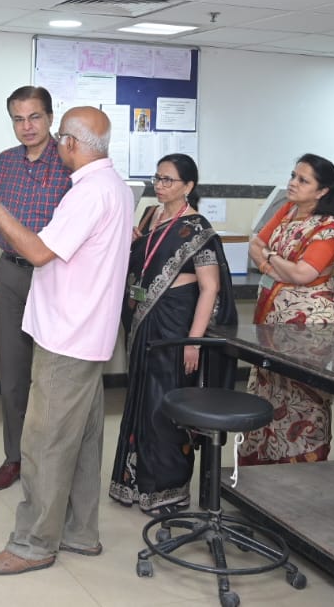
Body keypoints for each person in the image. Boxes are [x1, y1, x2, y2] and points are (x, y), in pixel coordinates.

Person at [0, 107, 133, 576]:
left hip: (67, 337)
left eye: (58, 136)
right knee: (83, 441)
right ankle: (80, 532)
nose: (55, 144)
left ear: (70, 143)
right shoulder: (115, 186)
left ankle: (33, 544)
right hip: (90, 335)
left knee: (45, 443)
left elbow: (37, 251)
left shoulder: (88, 193)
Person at [109, 153, 237, 514]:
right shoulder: (150, 215)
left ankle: (168, 489)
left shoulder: (198, 230)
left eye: (168, 180)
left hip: (174, 325)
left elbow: (210, 288)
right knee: (139, 398)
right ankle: (134, 483)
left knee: (164, 403)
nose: (160, 185)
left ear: (188, 186)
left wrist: (193, 342)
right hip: (142, 320)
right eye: (157, 178)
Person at [0, 86, 69, 492]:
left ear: (50, 117)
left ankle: (50, 460)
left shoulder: (69, 163)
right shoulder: (5, 162)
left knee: (55, 373)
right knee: (13, 372)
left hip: (56, 275)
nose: (27, 126)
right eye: (18, 119)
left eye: (34, 117)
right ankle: (15, 458)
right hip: (11, 274)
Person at [237, 154, 334, 466]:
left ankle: (301, 469)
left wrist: (269, 257)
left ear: (322, 191)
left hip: (309, 332)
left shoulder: (329, 229)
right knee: (268, 391)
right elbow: (254, 245)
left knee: (302, 399)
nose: (293, 183)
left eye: (303, 180)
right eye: (293, 175)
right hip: (273, 323)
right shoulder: (287, 211)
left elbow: (303, 274)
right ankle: (262, 468)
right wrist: (275, 264)